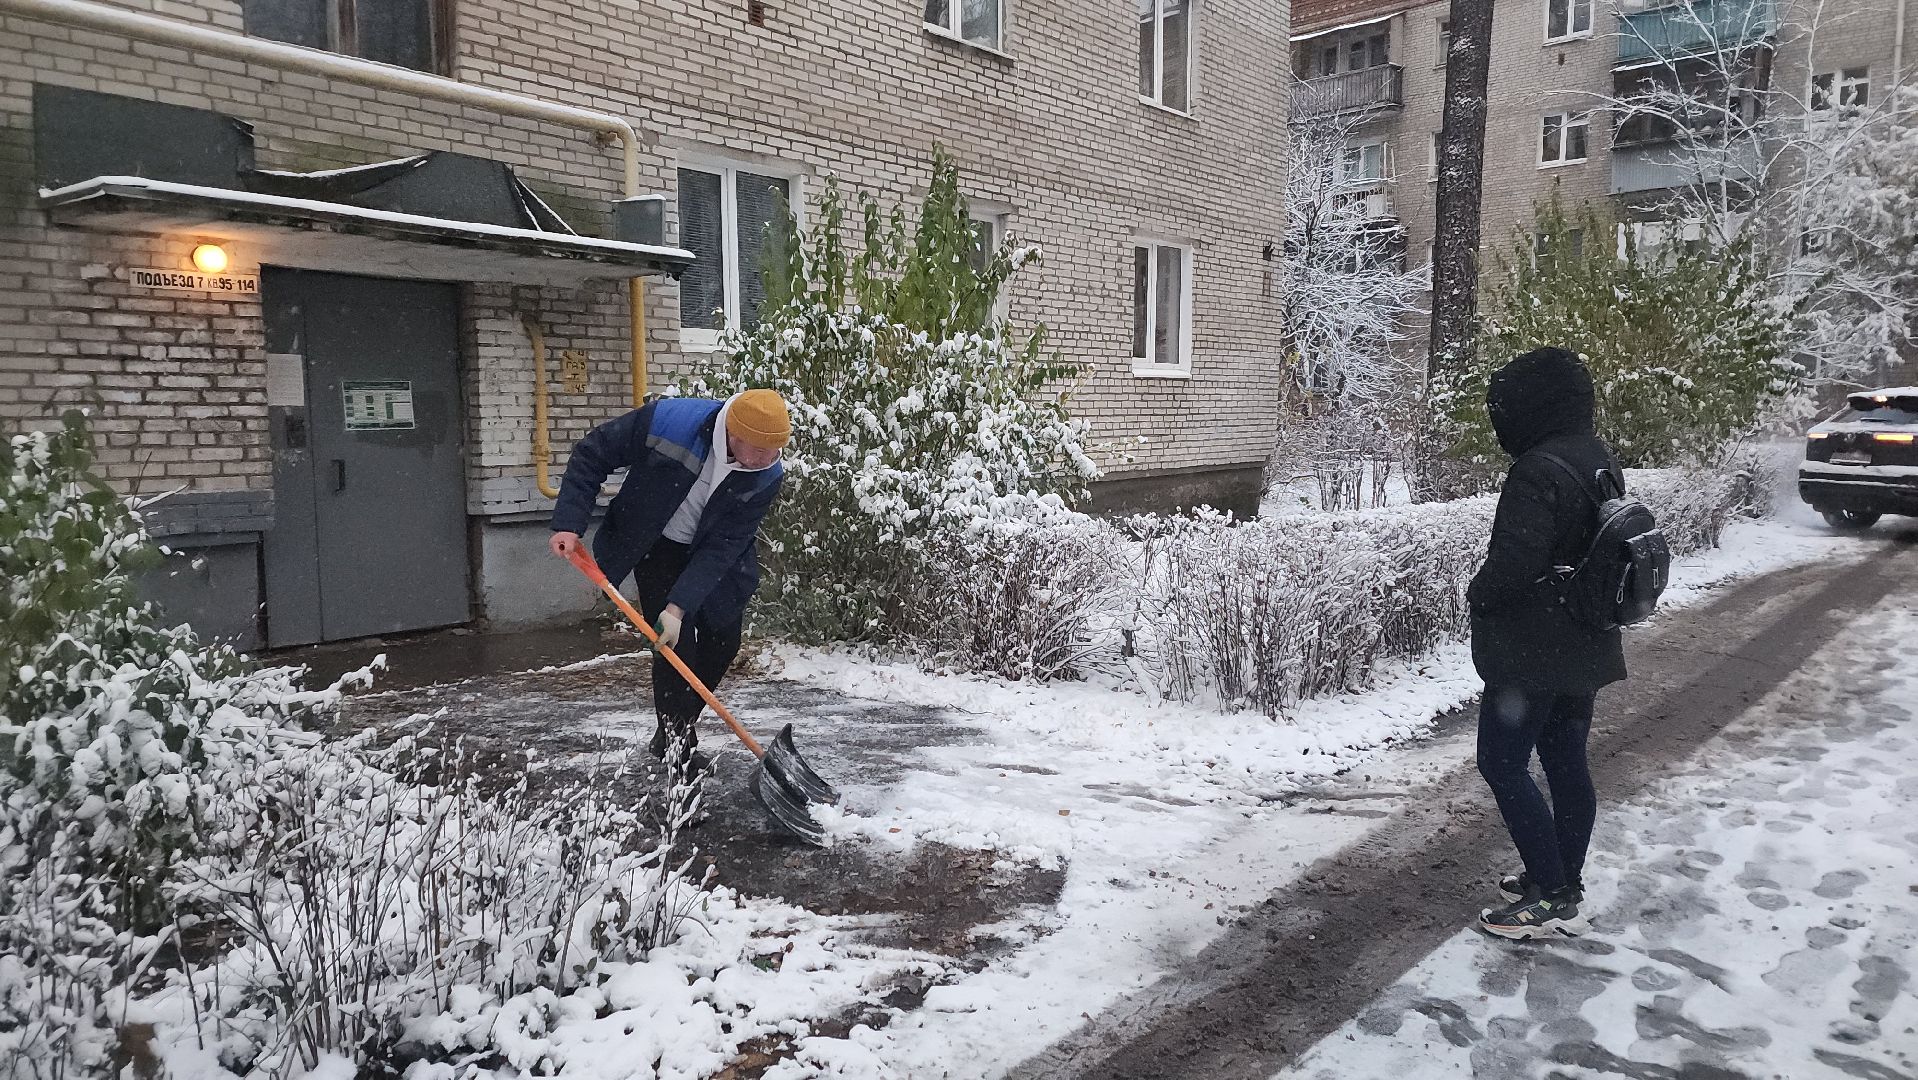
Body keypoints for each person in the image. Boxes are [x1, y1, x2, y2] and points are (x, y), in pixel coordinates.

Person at [1467, 346, 1625, 940]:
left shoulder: (1536, 468)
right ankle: (1562, 877)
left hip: (1535, 649)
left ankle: (1549, 892)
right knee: (1564, 760)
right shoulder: (1593, 456)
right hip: (1584, 640)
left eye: (1505, 405)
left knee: (1502, 762)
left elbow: (1514, 563)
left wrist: (1477, 594)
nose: (1500, 417)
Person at [549, 389, 789, 777]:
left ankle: (673, 729)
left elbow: (726, 544)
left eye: (775, 450)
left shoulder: (767, 473)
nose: (768, 459)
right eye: (760, 450)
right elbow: (593, 453)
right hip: (656, 545)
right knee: (675, 652)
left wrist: (678, 607)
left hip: (714, 554)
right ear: (733, 433)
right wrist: (568, 522)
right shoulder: (669, 424)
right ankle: (679, 754)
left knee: (722, 644)